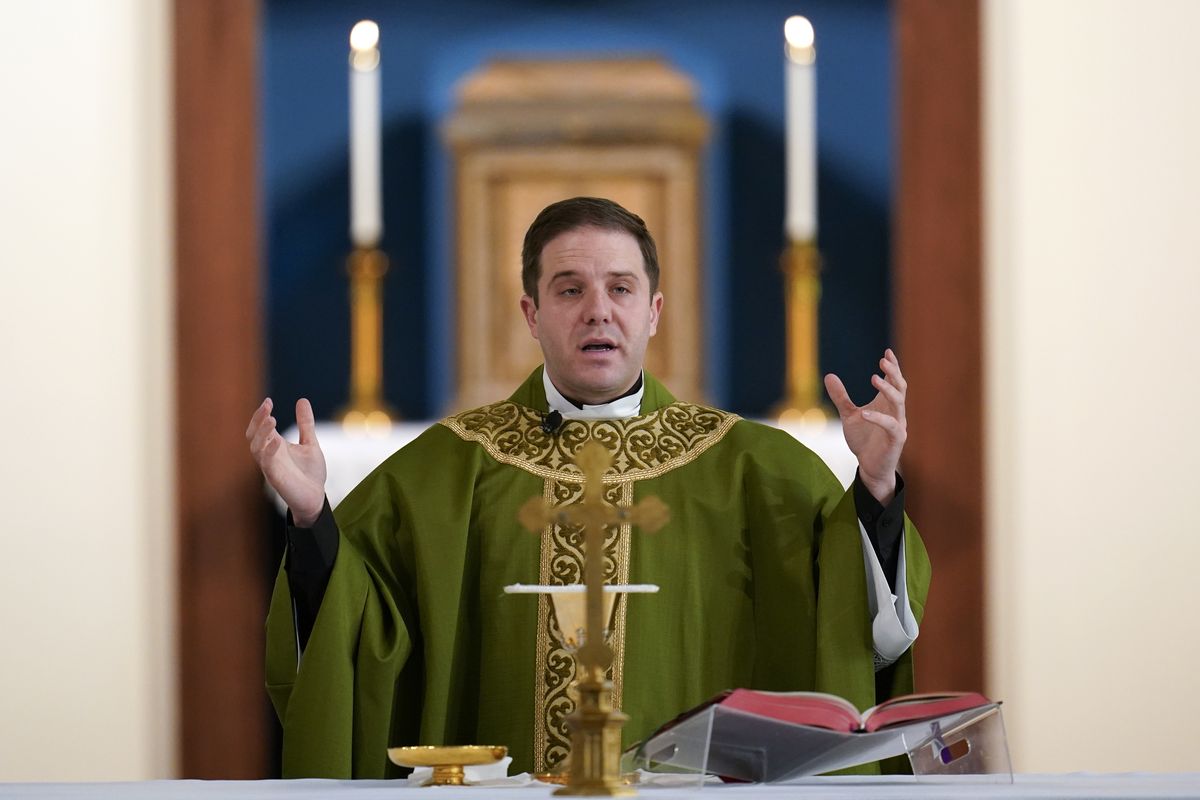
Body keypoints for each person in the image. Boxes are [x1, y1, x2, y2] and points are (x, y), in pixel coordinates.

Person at [247, 197, 929, 779]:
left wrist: (875, 488)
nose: (597, 311)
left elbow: (854, 630)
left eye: (621, 289)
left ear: (654, 311)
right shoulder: (448, 470)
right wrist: (311, 519)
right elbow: (357, 639)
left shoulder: (757, 469)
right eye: (570, 289)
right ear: (531, 312)